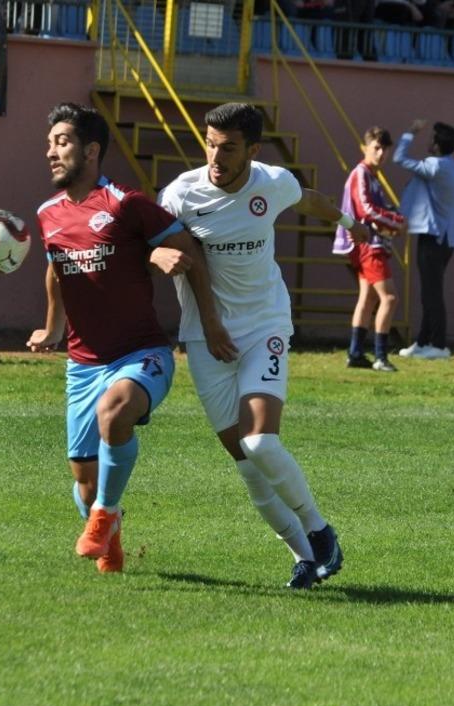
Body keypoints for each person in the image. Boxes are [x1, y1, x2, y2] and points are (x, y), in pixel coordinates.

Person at [159, 102, 370, 589]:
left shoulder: (272, 183)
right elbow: (155, 244)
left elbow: (308, 199)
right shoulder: (180, 195)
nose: (216, 156)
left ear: (253, 150)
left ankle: (320, 531)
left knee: (260, 442)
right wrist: (159, 256)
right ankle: (306, 559)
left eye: (228, 148)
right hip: (203, 336)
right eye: (210, 144)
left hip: (264, 325)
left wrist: (347, 221)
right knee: (247, 466)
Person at [27, 102, 232, 574]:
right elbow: (57, 271)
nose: (51, 153)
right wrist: (53, 327)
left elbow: (191, 255)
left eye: (62, 142)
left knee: (114, 411)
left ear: (91, 149)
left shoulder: (126, 203)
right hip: (83, 363)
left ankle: (104, 516)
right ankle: (108, 521)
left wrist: (210, 323)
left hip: (142, 354)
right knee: (84, 485)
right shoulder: (48, 214)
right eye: (49, 144)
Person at [333, 126, 407, 371]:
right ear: (365, 147)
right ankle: (380, 356)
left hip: (373, 243)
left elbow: (382, 208)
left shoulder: (374, 177)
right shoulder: (361, 173)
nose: (381, 153)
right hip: (368, 244)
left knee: (367, 298)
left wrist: (394, 219)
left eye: (385, 149)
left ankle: (355, 353)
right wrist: (395, 222)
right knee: (390, 298)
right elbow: (366, 210)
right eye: (376, 147)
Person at [393, 119, 454, 361]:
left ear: (436, 145)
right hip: (447, 238)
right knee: (429, 291)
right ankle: (423, 341)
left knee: (432, 293)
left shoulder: (435, 166)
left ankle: (438, 344)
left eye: (431, 139)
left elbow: (399, 158)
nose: (428, 142)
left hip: (434, 236)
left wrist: (409, 133)